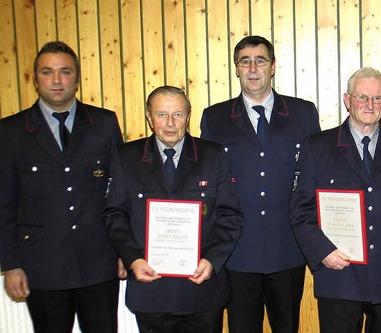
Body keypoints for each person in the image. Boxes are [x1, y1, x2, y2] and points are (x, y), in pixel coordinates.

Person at [289, 67, 381, 332]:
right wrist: (323, 252)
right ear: (347, 100)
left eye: (378, 98)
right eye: (362, 97)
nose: (370, 105)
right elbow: (301, 211)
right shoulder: (317, 147)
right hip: (339, 274)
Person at [0, 41, 124, 333]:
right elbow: (4, 203)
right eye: (47, 72)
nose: (56, 80)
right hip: (43, 266)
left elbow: (119, 193)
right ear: (35, 79)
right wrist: (11, 265)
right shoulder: (10, 132)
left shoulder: (104, 123)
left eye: (65, 72)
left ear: (77, 79)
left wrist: (124, 250)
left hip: (99, 262)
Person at [200, 35, 320, 332]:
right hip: (237, 250)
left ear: (273, 66)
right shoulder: (215, 118)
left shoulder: (303, 113)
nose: (253, 69)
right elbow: (207, 188)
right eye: (245, 62)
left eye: (260, 60)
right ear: (236, 69)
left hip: (288, 247)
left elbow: (315, 180)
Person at [102, 86, 243, 333]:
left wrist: (212, 260)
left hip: (202, 288)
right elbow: (114, 214)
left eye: (177, 115)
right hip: (151, 288)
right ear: (149, 117)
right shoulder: (127, 157)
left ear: (188, 117)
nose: (170, 123)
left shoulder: (213, 155)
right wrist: (132, 258)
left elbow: (230, 215)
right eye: (161, 114)